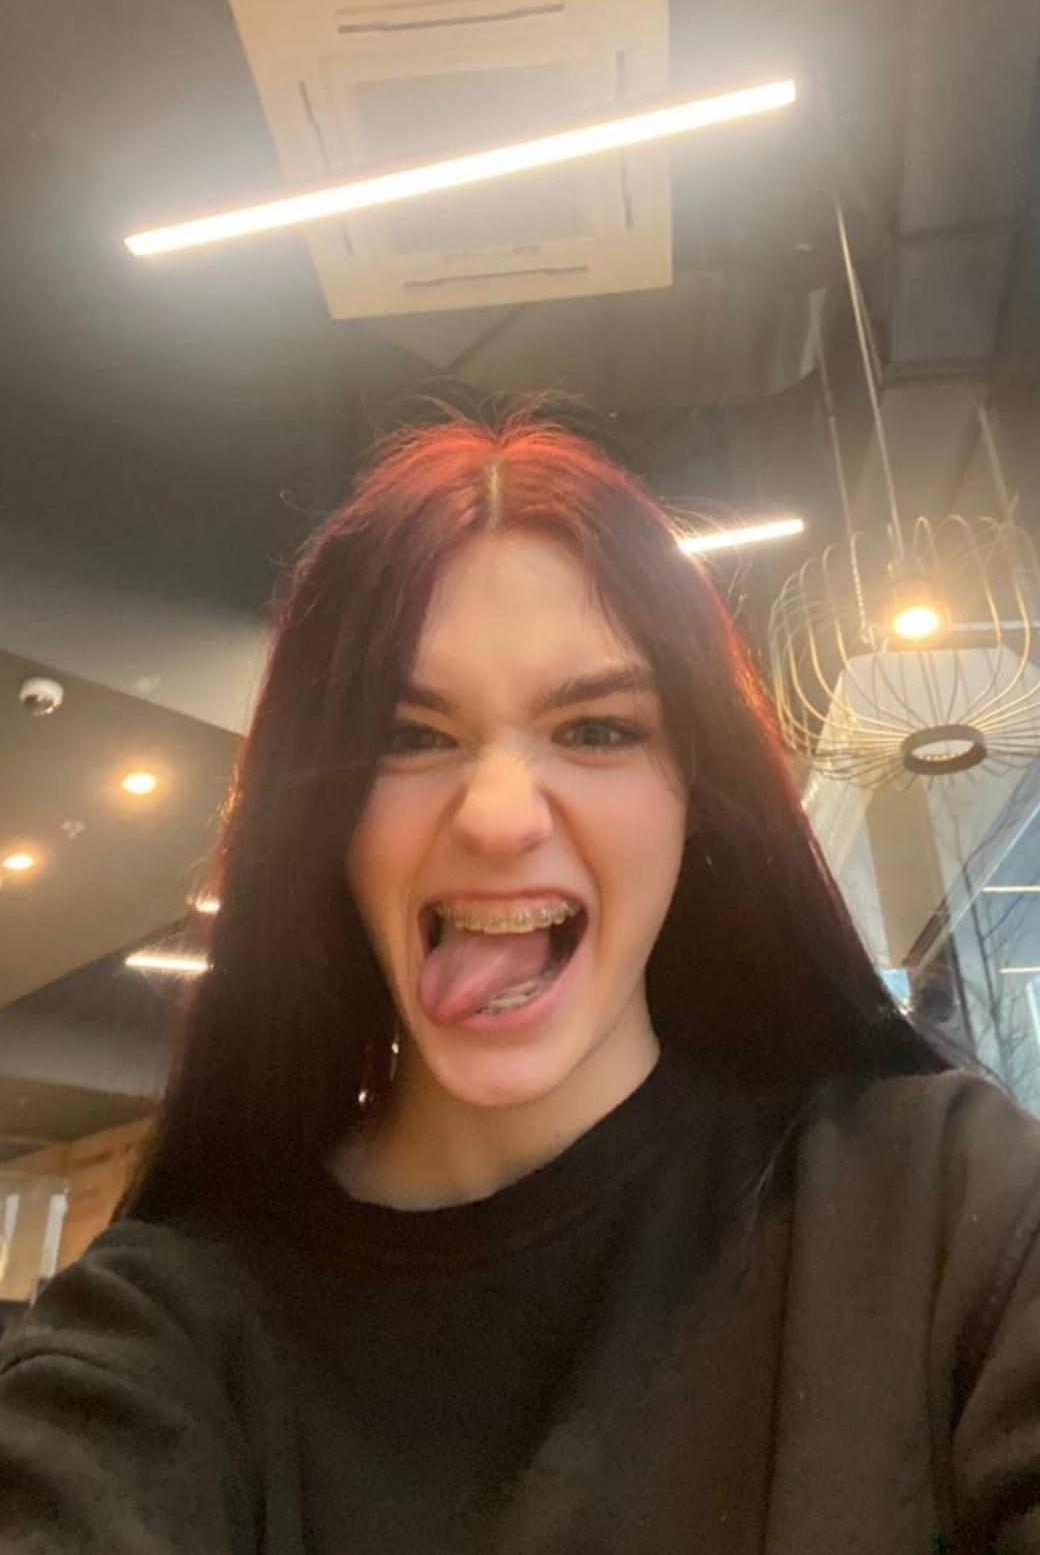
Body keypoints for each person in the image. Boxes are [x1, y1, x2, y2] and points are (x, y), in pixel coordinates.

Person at [2, 394, 1039, 1555]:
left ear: (694, 802)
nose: (498, 818)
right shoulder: (163, 1338)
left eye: (596, 729)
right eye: (408, 735)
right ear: (323, 825)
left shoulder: (949, 1204)